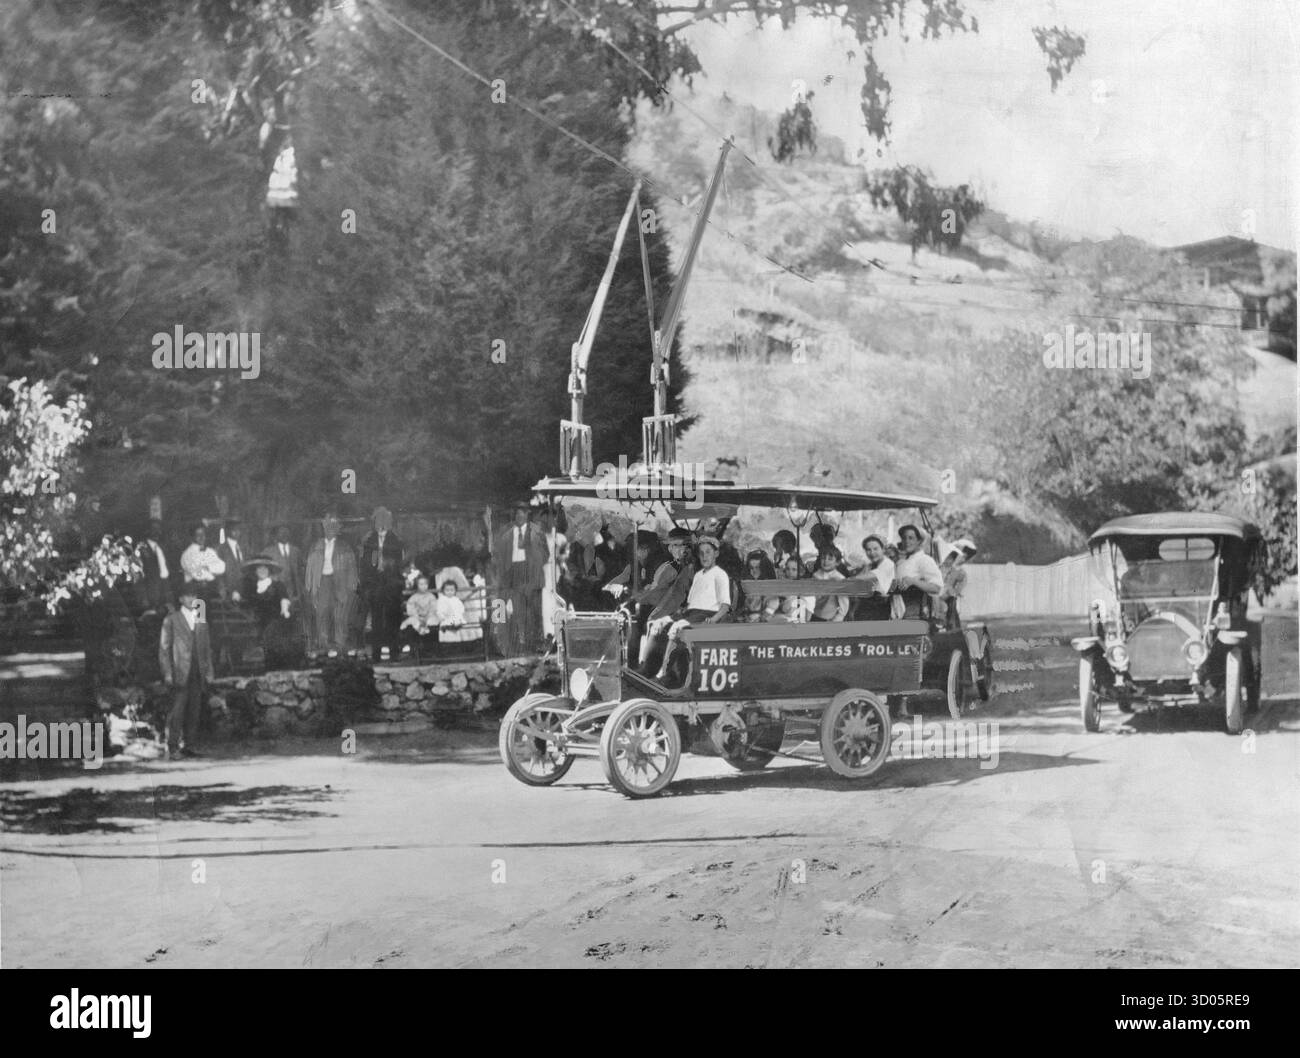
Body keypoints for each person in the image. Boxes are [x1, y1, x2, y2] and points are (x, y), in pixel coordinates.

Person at [650, 535, 731, 681]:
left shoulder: (720, 575)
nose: (704, 556)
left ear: (716, 554)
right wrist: (682, 611)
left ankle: (664, 673)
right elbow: (692, 601)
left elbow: (725, 606)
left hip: (706, 615)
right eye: (701, 553)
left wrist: (713, 620)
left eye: (708, 552)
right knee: (658, 623)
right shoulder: (699, 575)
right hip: (691, 613)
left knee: (676, 627)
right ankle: (650, 667)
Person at [158, 587, 214, 760]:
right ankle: (172, 746)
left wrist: (209, 671)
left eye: (194, 596)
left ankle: (190, 745)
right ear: (181, 599)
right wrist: (167, 673)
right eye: (188, 596)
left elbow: (207, 649)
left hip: (197, 671)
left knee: (194, 709)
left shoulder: (201, 620)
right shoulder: (171, 620)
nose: (191, 599)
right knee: (178, 709)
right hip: (180, 671)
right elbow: (164, 649)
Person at [493, 503, 546, 654]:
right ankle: (523, 644)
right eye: (517, 514)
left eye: (523, 513)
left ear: (527, 515)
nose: (519, 517)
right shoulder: (507, 535)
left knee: (535, 611)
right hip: (515, 573)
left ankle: (538, 642)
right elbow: (501, 557)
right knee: (519, 611)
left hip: (532, 574)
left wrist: (534, 568)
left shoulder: (537, 532)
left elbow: (545, 555)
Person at [304, 513, 359, 657]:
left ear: (338, 529)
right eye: (328, 526)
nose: (331, 529)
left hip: (340, 582)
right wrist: (310, 585)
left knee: (340, 614)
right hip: (322, 582)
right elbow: (310, 567)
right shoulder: (316, 545)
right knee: (322, 612)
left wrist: (352, 585)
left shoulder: (344, 546)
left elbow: (352, 567)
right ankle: (324, 645)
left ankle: (339, 645)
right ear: (324, 528)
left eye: (334, 526)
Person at [360, 506, 405, 661]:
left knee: (393, 618)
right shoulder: (369, 540)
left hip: (391, 585)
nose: (381, 523)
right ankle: (376, 654)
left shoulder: (396, 540)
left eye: (384, 520)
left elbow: (399, 563)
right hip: (375, 585)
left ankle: (394, 652)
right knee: (376, 620)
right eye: (378, 520)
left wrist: (390, 567)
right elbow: (366, 563)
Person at [893, 524, 943, 620]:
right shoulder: (901, 562)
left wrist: (914, 581)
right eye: (904, 538)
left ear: (919, 541)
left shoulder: (924, 560)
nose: (907, 541)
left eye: (911, 538)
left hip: (915, 614)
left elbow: (936, 588)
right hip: (897, 612)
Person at [851, 534, 895, 621]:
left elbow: (865, 578)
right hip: (865, 606)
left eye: (875, 549)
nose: (872, 553)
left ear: (883, 549)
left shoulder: (888, 564)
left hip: (880, 607)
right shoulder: (869, 566)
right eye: (868, 550)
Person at [180, 524, 226, 600]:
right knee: (200, 611)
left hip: (211, 590)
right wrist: (212, 571)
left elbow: (222, 567)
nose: (202, 537)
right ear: (192, 537)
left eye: (203, 534)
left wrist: (207, 567)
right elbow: (198, 575)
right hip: (195, 592)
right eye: (198, 535)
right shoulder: (187, 554)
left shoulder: (210, 551)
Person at [939, 537, 976, 629]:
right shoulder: (941, 566)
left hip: (949, 595)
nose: (963, 558)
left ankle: (952, 629)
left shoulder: (960, 571)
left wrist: (954, 591)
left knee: (951, 612)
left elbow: (961, 584)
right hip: (938, 593)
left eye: (965, 557)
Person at [137, 519, 173, 615]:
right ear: (147, 531)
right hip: (149, 597)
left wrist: (168, 596)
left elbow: (166, 572)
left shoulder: (163, 547)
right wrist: (143, 598)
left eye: (158, 529)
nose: (157, 532)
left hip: (163, 595)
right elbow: (138, 576)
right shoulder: (140, 548)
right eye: (153, 529)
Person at [810, 546, 850, 622]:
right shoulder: (816, 575)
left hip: (829, 616)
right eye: (823, 558)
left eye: (830, 559)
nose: (826, 561)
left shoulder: (839, 579)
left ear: (837, 563)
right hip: (814, 613)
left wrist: (840, 616)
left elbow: (844, 600)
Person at [739, 549, 779, 622]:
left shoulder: (770, 589)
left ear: (764, 568)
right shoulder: (748, 586)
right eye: (751, 568)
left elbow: (770, 610)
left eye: (757, 567)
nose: (754, 571)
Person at [770, 554, 810, 623]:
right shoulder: (782, 583)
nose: (790, 572)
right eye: (788, 569)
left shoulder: (803, 586)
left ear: (800, 571)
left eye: (794, 570)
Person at [217, 519, 248, 603]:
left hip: (243, 590)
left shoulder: (244, 548)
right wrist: (223, 590)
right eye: (234, 530)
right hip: (228, 592)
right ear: (227, 531)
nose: (237, 532)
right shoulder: (221, 549)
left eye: (239, 530)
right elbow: (219, 573)